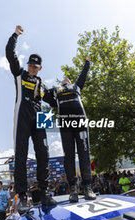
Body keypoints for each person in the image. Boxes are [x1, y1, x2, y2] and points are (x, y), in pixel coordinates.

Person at [6, 25, 56, 212]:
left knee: (44, 154)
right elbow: (10, 54)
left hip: (42, 116)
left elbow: (52, 101)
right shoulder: (20, 74)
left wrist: (65, 93)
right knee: (21, 156)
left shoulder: (42, 83)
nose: (32, 68)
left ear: (40, 68)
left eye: (35, 67)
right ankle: (23, 197)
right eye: (30, 65)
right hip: (22, 115)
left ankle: (43, 192)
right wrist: (15, 35)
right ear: (27, 65)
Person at [44, 57, 96, 203]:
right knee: (69, 156)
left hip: (80, 124)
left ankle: (87, 187)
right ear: (60, 84)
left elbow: (83, 75)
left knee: (84, 154)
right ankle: (72, 189)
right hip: (65, 126)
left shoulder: (77, 87)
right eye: (63, 80)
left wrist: (87, 63)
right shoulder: (56, 91)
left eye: (68, 79)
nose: (65, 79)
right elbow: (42, 94)